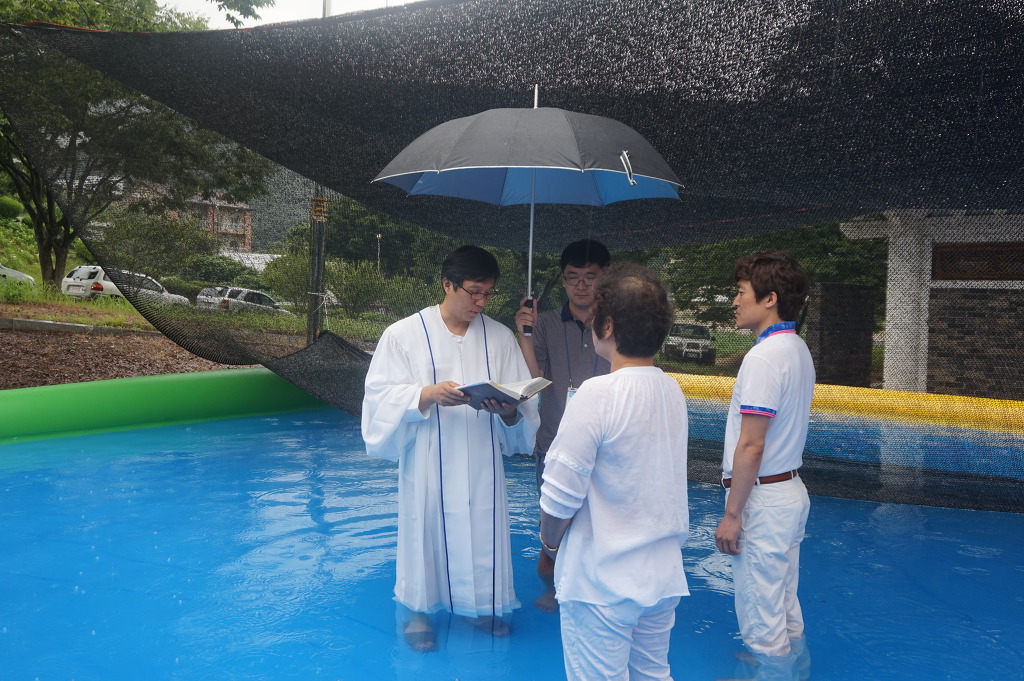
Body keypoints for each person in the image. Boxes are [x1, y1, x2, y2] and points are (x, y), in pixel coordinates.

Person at [362, 245, 540, 652]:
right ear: (447, 284)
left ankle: (480, 607)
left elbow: (522, 409)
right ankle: (420, 612)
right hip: (427, 457)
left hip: (481, 459)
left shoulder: (499, 337)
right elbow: (377, 400)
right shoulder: (403, 334)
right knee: (423, 528)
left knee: (482, 530)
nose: (481, 302)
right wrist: (425, 394)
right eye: (474, 292)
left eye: (488, 294)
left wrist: (508, 410)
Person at [539, 263, 690, 681]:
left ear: (606, 325)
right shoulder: (671, 390)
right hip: (661, 574)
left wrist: (549, 545)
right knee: (653, 675)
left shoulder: (597, 393)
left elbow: (559, 496)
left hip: (602, 581)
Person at [714, 251, 814, 681]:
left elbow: (752, 445)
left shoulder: (763, 358)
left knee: (761, 621)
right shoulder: (797, 348)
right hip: (789, 493)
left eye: (741, 292)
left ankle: (770, 670)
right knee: (785, 607)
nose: (735, 301)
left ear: (769, 298)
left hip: (764, 500)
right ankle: (796, 672)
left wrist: (733, 514)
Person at [514, 238, 612, 611]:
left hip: (606, 444)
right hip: (555, 441)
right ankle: (553, 585)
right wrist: (524, 334)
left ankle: (593, 587)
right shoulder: (546, 324)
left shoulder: (615, 324)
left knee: (600, 522)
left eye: (590, 277)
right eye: (573, 277)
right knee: (554, 520)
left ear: (605, 278)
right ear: (563, 279)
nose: (581, 286)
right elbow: (534, 380)